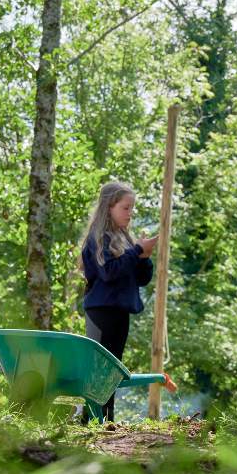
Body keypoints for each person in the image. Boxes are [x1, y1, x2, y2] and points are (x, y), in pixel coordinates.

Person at [80, 181, 156, 422]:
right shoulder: (97, 238)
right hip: (100, 312)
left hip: (121, 311)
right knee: (98, 368)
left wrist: (143, 257)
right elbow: (108, 272)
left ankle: (106, 418)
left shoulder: (124, 239)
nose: (130, 213)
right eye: (125, 207)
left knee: (113, 368)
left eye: (132, 208)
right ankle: (91, 418)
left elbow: (141, 279)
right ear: (109, 207)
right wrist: (135, 251)